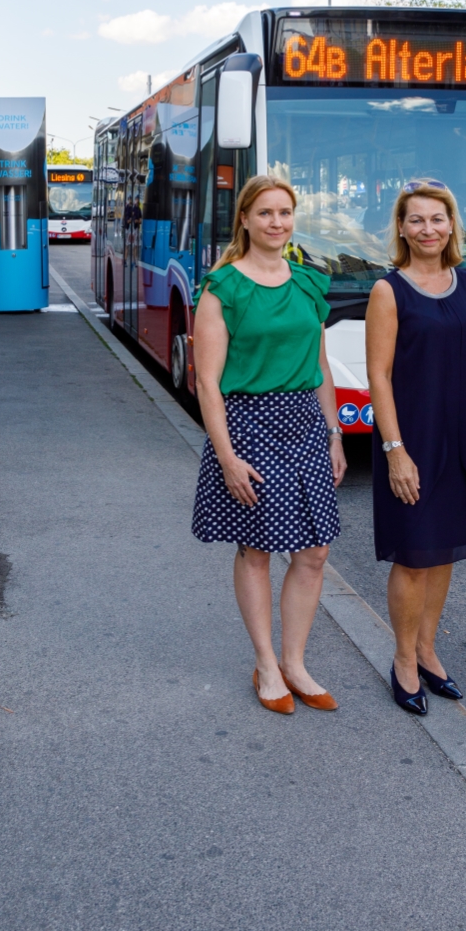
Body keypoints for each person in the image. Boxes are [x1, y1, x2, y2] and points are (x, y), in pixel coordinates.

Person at [192, 175, 347, 715]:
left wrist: (335, 436)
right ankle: (265, 665)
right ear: (245, 219)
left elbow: (322, 365)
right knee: (256, 550)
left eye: (284, 213)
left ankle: (295, 662)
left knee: (314, 551)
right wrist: (227, 456)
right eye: (265, 213)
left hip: (306, 424)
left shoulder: (308, 283)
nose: (276, 222)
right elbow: (207, 382)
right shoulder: (222, 288)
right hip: (249, 428)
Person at [366, 180, 466, 715]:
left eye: (438, 219)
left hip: (460, 435)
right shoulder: (388, 291)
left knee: (444, 552)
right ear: (400, 228)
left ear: (451, 225)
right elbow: (378, 374)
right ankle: (403, 660)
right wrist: (395, 449)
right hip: (410, 437)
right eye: (416, 220)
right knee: (415, 555)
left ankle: (428, 648)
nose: (428, 229)